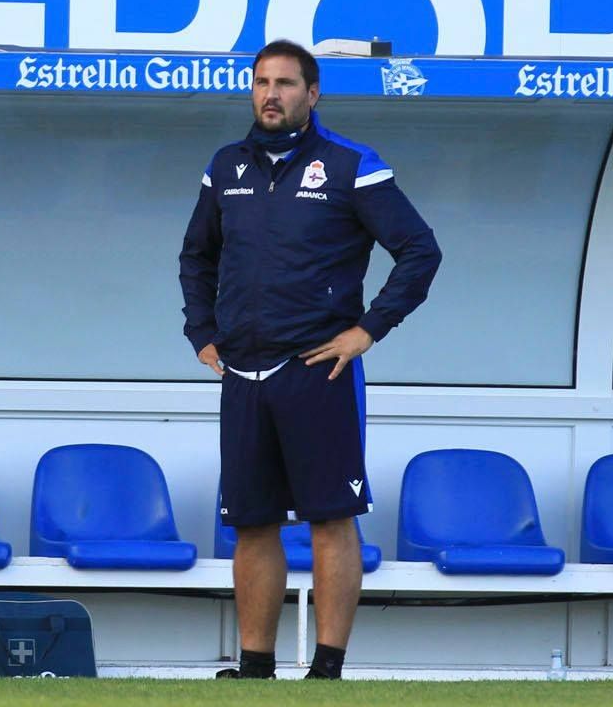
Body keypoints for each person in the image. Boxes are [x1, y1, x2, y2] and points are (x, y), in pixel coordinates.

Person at [178, 40, 441, 681]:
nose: (272, 94)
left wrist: (367, 331)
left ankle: (327, 669)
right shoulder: (226, 167)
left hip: (317, 370)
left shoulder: (352, 164)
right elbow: (196, 257)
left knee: (330, 519)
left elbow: (419, 251)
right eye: (262, 82)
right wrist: (202, 331)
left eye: (286, 83)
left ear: (312, 93)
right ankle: (256, 666)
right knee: (252, 523)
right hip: (243, 373)